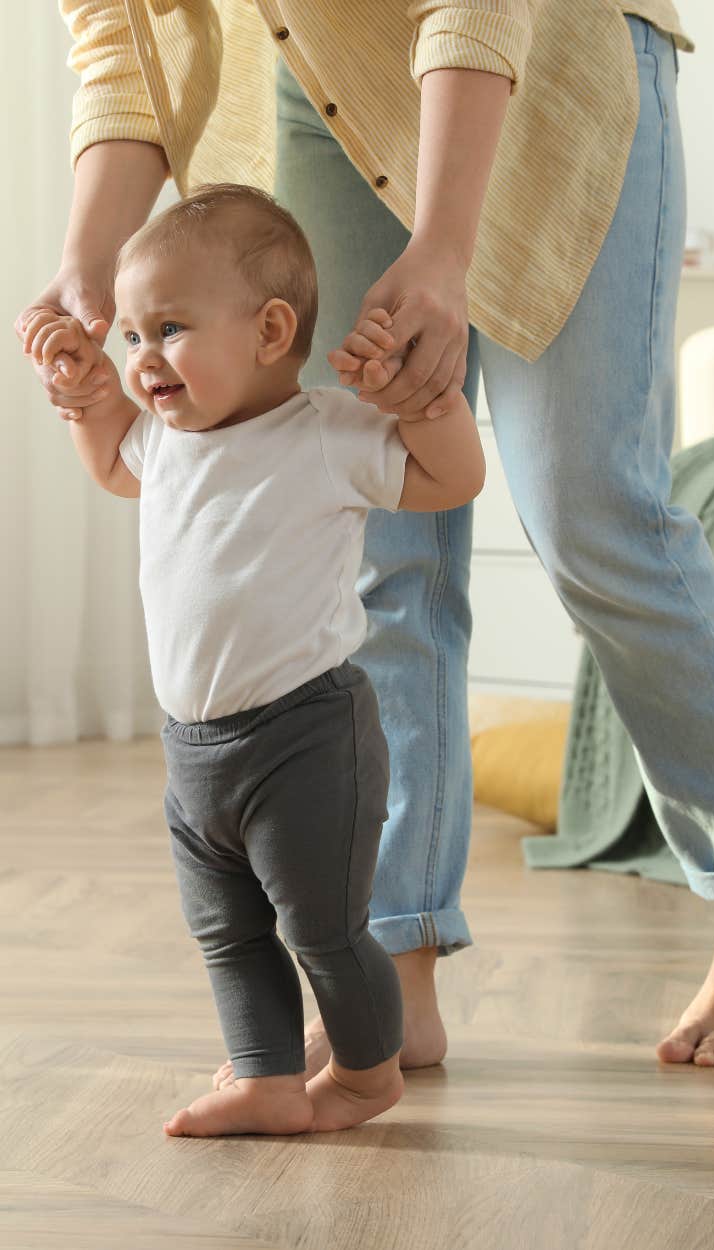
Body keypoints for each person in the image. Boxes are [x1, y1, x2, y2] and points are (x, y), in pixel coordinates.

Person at [17, 0, 714, 1074]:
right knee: (373, 548)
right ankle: (393, 948)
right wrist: (87, 260)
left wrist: (445, 247)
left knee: (594, 515)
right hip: (320, 91)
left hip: (543, 53)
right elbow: (121, 36)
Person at [20, 182, 485, 1137]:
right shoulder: (163, 440)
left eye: (171, 329)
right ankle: (268, 1078)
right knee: (225, 932)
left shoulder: (324, 433)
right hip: (193, 750)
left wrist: (426, 395)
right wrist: (86, 395)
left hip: (306, 737)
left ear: (272, 331)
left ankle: (365, 1072)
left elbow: (451, 477)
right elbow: (113, 464)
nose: (144, 358)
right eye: (134, 337)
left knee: (322, 929)